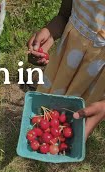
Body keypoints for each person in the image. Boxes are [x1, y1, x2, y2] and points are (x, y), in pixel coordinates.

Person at [27, 0, 105, 138]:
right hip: (66, 63)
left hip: (95, 77)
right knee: (48, 117)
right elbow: (65, 14)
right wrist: (50, 32)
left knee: (73, 127)